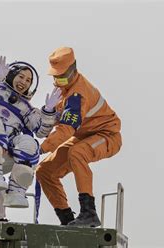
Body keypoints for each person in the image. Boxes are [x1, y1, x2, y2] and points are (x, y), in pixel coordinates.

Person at [0, 59, 62, 221]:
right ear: (11, 74)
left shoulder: (26, 108)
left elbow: (40, 130)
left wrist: (48, 111)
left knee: (29, 144)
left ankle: (16, 190)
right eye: (21, 76)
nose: (24, 81)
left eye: (28, 80)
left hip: (2, 157)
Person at [35, 47, 122, 227]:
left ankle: (89, 213)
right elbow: (56, 122)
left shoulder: (77, 94)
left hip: (106, 135)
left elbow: (66, 130)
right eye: (56, 77)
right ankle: (67, 219)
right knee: (44, 171)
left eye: (63, 77)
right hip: (82, 136)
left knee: (77, 153)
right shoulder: (62, 90)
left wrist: (40, 149)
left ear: (74, 69)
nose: (59, 81)